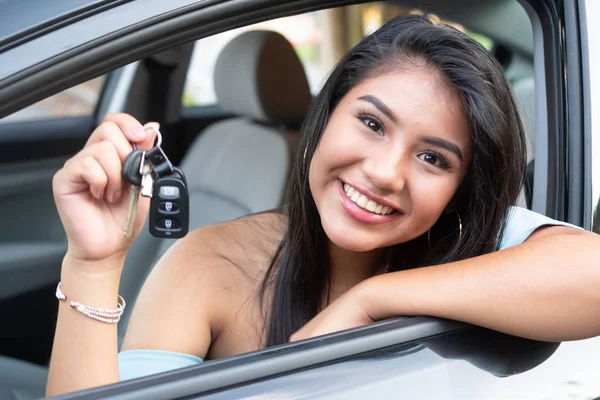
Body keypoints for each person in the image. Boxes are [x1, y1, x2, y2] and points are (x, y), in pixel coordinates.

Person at [46, 14, 600, 396]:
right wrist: (93, 265)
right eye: (371, 122)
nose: (386, 173)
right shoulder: (214, 263)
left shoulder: (472, 248)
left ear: (461, 189)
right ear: (326, 113)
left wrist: (372, 299)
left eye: (434, 159)